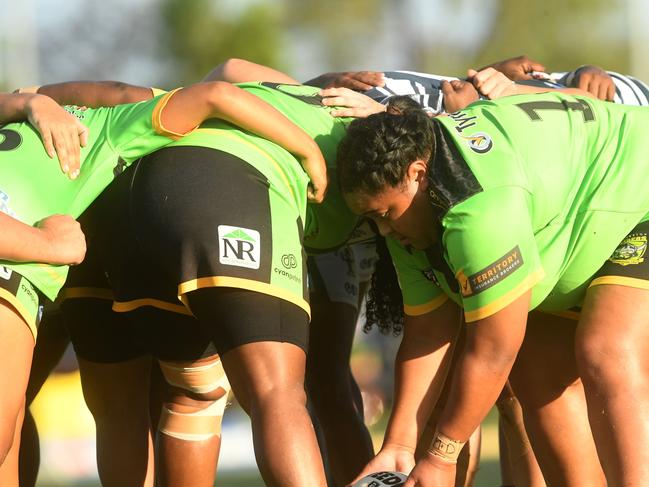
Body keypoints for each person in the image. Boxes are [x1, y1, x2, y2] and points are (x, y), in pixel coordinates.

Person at [0, 82, 328, 487]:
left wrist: (29, 99)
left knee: (100, 413)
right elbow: (216, 93)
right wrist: (309, 150)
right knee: (206, 395)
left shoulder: (26, 117)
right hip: (19, 267)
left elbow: (226, 76)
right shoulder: (111, 125)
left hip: (59, 252)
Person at [336, 68, 649, 486]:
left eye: (386, 215)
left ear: (416, 173)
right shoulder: (408, 205)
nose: (384, 231)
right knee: (537, 374)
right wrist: (398, 445)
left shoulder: (478, 210)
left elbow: (493, 350)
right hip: (588, 211)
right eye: (372, 219)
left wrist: (443, 456)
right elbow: (429, 332)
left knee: (605, 349)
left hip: (638, 187)